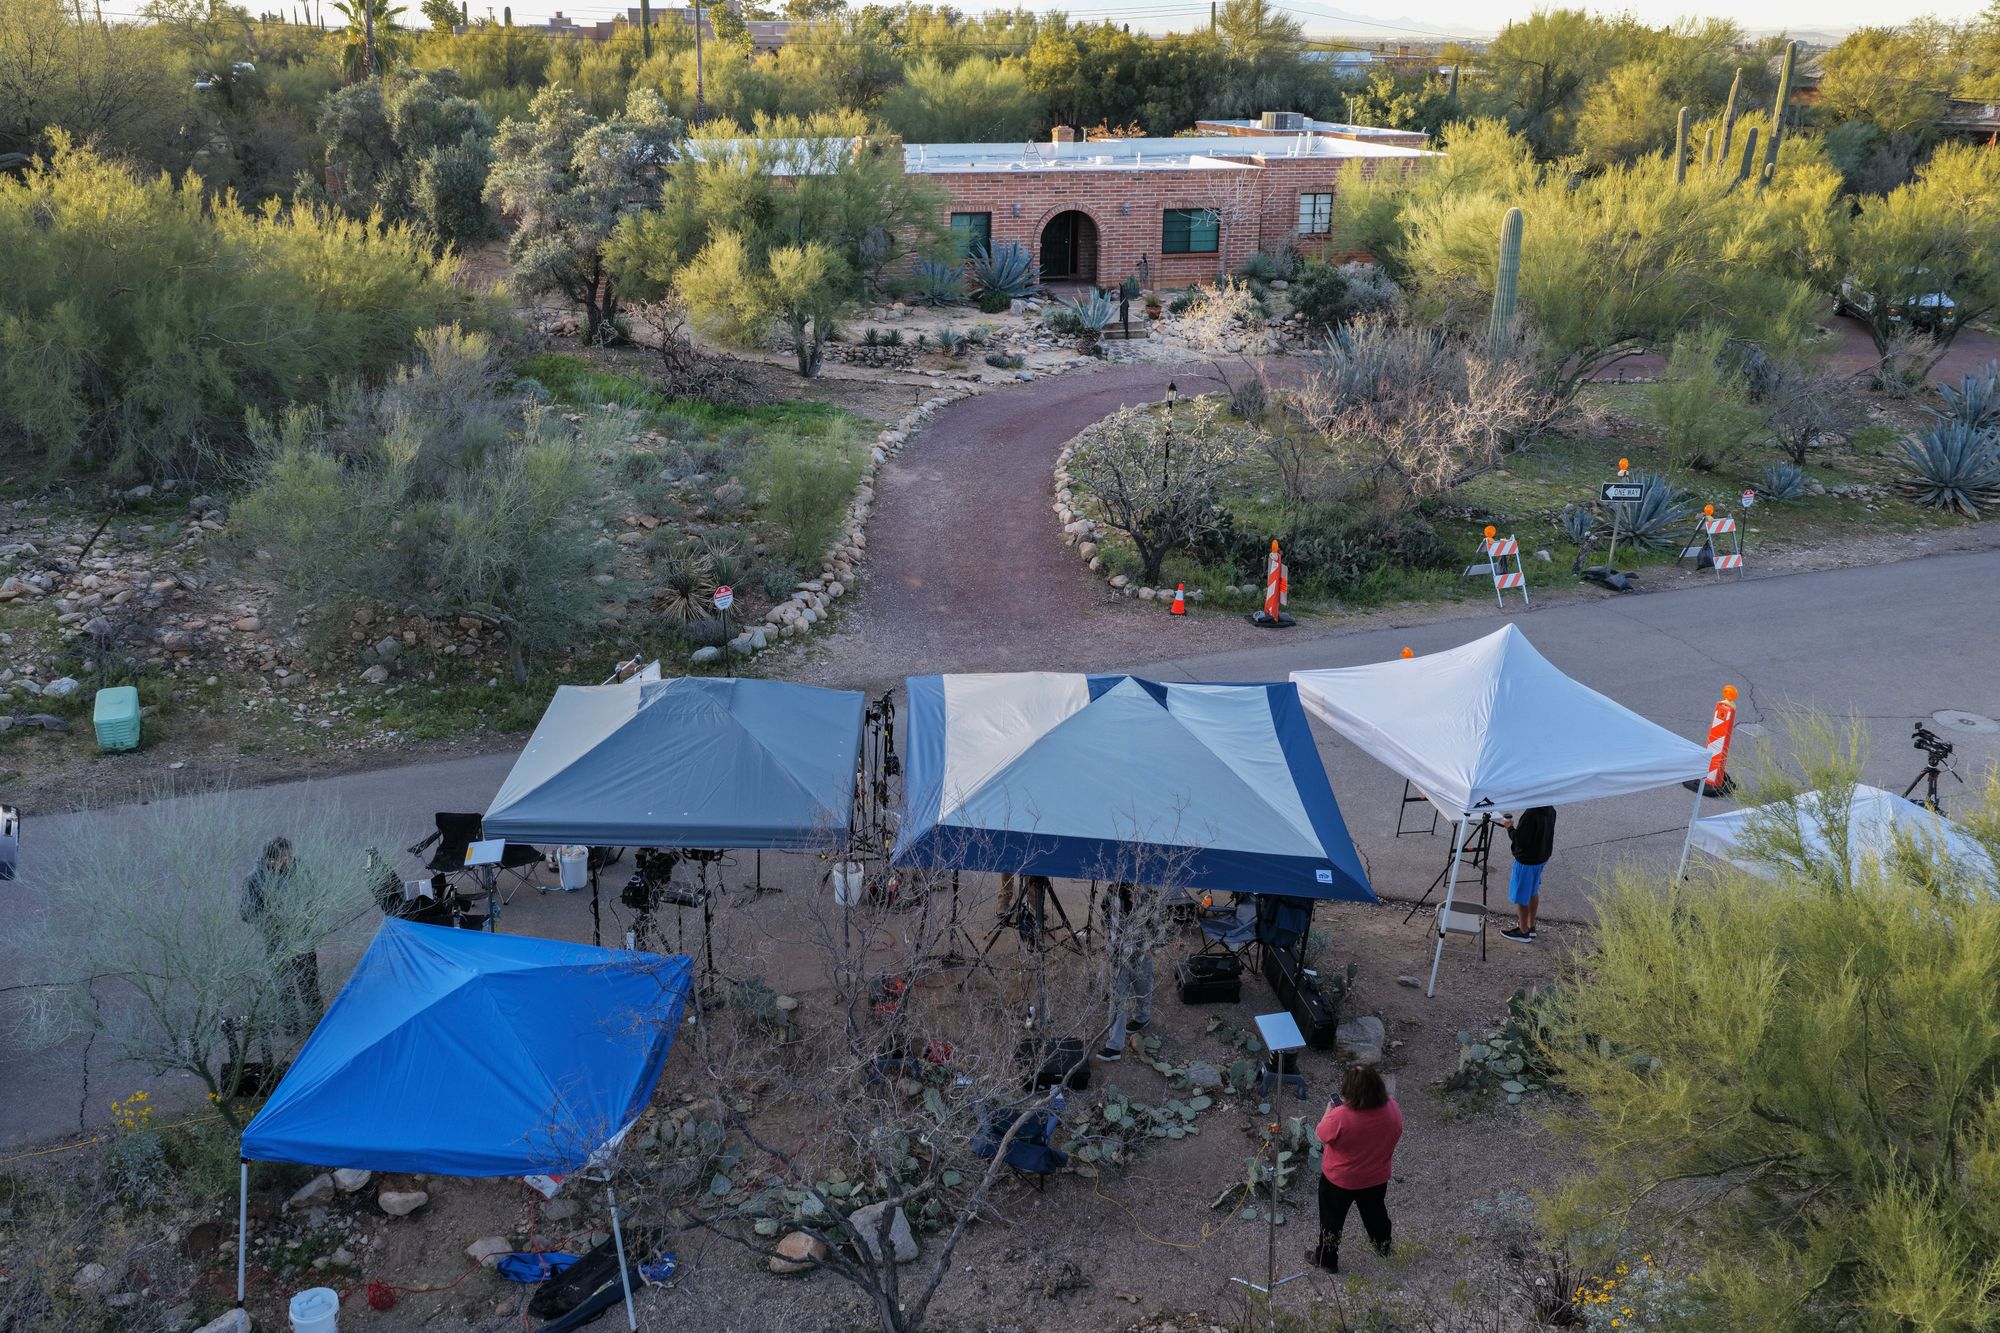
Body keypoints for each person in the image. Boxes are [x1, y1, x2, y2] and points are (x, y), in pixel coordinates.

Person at [1309, 1064, 1403, 1273]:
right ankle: (1383, 1247)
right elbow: (1397, 1131)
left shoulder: (1340, 1116)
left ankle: (1327, 1260)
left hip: (1339, 1181)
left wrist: (1329, 1112)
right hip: (1376, 1177)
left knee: (1331, 1221)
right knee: (1376, 1215)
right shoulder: (1392, 1108)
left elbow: (1320, 1135)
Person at [240, 836, 323, 1033]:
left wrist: (307, 910)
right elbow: (246, 913)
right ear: (269, 860)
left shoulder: (299, 869)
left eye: (290, 856)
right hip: (276, 941)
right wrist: (272, 916)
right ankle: (290, 1025)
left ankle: (317, 1026)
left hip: (302, 938)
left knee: (309, 983)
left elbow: (313, 892)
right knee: (284, 986)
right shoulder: (254, 880)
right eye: (283, 858)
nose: (289, 861)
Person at [1095, 882, 1155, 1062]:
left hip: (1141, 954)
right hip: (1118, 955)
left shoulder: (1150, 894)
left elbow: (1158, 924)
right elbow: (1105, 910)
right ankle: (1114, 1046)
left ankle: (1143, 1017)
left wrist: (1154, 949)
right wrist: (1107, 933)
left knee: (1143, 988)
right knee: (1118, 999)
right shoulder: (1113, 891)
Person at [1499, 806, 1557, 942]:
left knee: (1521, 896)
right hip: (1541, 857)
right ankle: (1531, 926)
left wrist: (1509, 827)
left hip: (1526, 861)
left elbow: (1520, 840)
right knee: (1532, 892)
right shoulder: (1550, 808)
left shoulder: (1531, 814)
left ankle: (1523, 931)